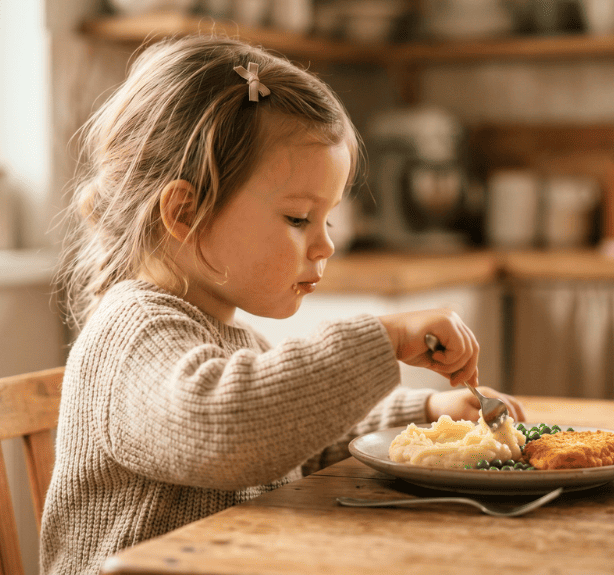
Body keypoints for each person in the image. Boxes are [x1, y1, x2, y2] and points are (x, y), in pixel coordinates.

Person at [42, 36, 525, 574]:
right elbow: (227, 431)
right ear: (184, 212)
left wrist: (425, 412)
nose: (326, 245)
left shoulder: (229, 338)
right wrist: (383, 339)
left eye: (328, 219)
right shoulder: (128, 338)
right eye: (298, 218)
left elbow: (297, 440)